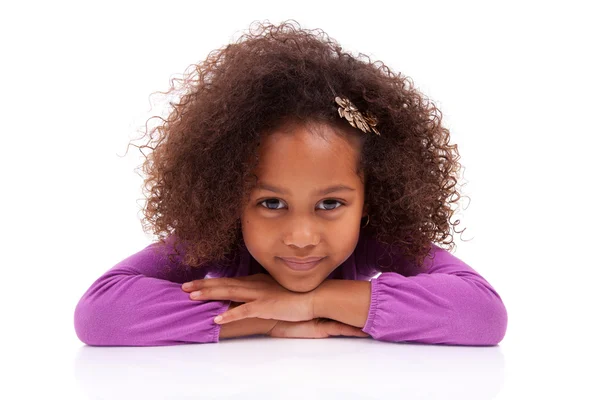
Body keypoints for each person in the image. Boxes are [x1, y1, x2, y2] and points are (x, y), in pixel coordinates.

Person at [74, 20, 507, 347]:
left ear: (370, 199)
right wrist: (264, 316)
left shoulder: (376, 240)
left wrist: (312, 301)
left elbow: (483, 314)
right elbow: (101, 314)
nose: (302, 238)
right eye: (272, 204)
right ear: (230, 198)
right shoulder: (216, 241)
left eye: (331, 204)